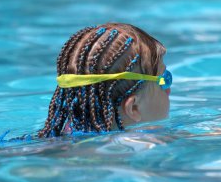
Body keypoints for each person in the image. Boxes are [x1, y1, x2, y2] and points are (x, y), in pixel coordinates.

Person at [37, 23, 172, 138]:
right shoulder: (147, 142)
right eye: (164, 80)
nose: (169, 90)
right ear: (133, 108)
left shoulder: (55, 139)